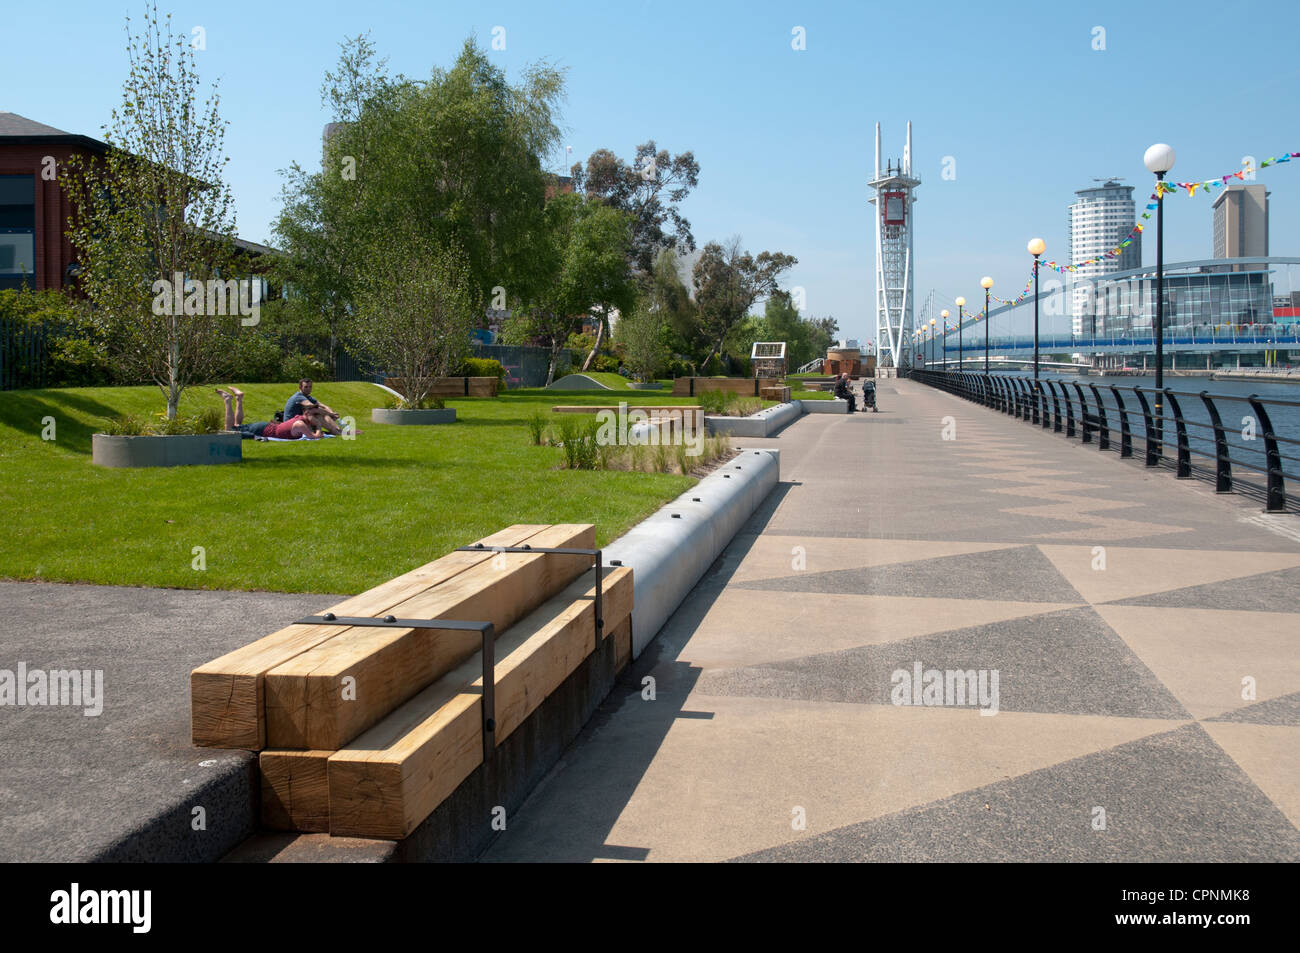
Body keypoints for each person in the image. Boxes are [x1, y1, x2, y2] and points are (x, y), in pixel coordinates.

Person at [219, 387, 327, 440]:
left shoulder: (300, 419)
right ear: (307, 414)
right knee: (229, 430)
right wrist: (318, 426)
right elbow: (314, 437)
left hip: (264, 427)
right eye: (314, 415)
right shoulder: (300, 424)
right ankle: (227, 400)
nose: (316, 418)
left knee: (237, 426)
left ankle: (239, 398)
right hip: (263, 429)